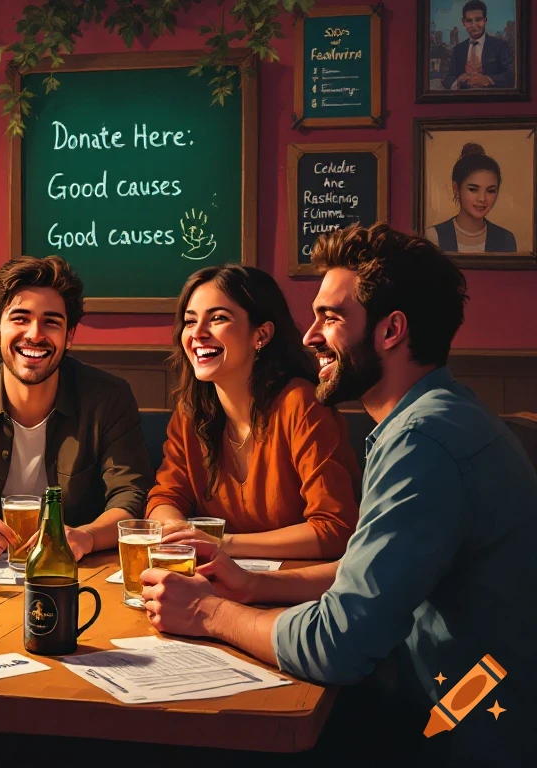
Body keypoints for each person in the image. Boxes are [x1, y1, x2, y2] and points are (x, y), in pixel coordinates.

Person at [141, 224, 535, 762]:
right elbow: (371, 572)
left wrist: (209, 613)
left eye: (330, 317)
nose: (309, 336)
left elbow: (336, 645)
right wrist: (253, 587)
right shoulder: (437, 416)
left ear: (391, 330)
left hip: (461, 729)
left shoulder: (422, 441)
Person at [0, 255, 153, 561]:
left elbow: (130, 496)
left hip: (79, 568)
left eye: (51, 322)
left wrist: (87, 537)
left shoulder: (109, 398)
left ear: (69, 336)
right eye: (20, 318)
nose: (35, 334)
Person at [146, 265, 360, 560]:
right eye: (190, 321)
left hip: (300, 581)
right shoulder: (191, 412)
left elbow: (335, 529)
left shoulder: (300, 403)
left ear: (261, 334)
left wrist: (220, 544)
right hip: (219, 576)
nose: (197, 333)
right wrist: (177, 531)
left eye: (218, 318)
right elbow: (165, 497)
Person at [425, 142, 517, 253]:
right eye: (473, 189)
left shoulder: (505, 239)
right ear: (456, 188)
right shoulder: (434, 236)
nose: (482, 198)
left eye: (490, 191)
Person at [442, 1, 514, 91]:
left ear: (485, 21)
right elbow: (448, 77)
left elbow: (512, 75)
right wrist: (458, 81)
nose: (474, 25)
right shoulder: (457, 50)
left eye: (478, 20)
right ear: (463, 22)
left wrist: (488, 80)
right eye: (469, 21)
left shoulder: (500, 45)